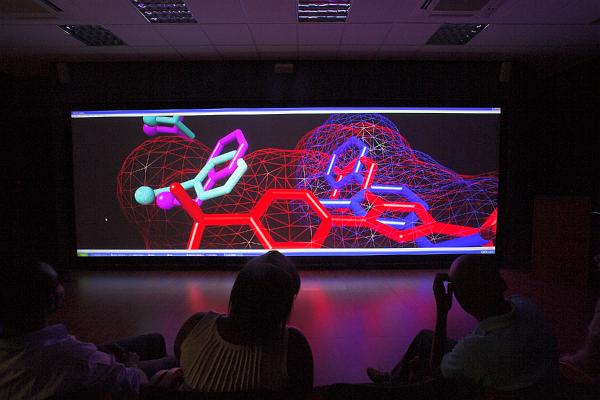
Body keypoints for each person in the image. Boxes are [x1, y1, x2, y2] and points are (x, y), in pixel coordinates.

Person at [366, 254, 559, 394]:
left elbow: (436, 371)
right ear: (502, 284)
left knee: (422, 368)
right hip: (534, 378)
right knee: (425, 338)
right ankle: (393, 378)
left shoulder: (476, 349)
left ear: (463, 300)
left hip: (494, 387)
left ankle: (391, 389)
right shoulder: (525, 306)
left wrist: (442, 312)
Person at [0, 258, 174, 399]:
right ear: (52, 299)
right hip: (123, 374)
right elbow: (136, 383)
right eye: (57, 283)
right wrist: (132, 364)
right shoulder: (75, 357)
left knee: (154, 340)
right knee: (173, 361)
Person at [175, 251, 313, 398]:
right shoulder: (294, 346)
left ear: (237, 291)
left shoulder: (195, 325)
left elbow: (179, 358)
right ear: (284, 304)